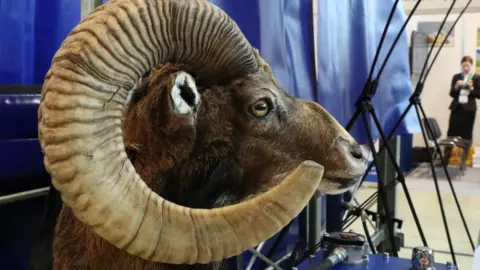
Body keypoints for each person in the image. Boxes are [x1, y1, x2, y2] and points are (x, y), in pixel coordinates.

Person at [443, 56, 480, 169]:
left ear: (471, 66)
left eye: (467, 66)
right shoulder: (457, 77)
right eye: (463, 66)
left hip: (469, 110)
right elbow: (451, 93)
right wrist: (456, 86)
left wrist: (470, 88)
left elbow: (479, 94)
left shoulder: (476, 77)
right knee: (451, 133)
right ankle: (445, 160)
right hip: (457, 109)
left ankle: (463, 162)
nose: (465, 68)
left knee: (466, 136)